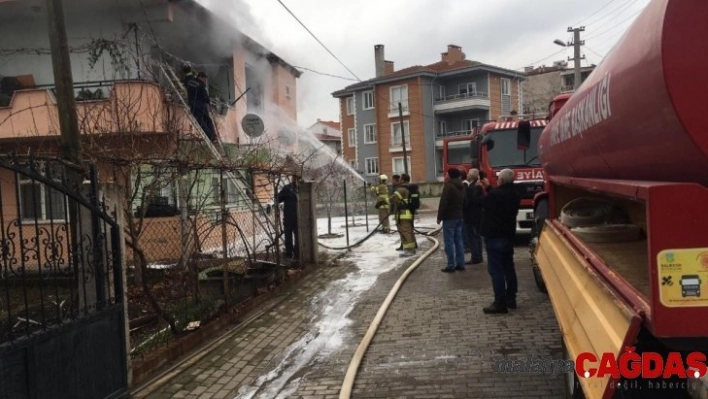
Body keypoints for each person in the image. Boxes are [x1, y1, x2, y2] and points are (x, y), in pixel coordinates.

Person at [480, 168, 520, 314]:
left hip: (494, 236)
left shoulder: (495, 195)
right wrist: (489, 187)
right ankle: (511, 299)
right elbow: (498, 197)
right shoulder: (515, 194)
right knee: (509, 268)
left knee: (496, 270)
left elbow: (482, 202)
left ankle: (499, 302)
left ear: (501, 180)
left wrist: (480, 188)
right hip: (508, 236)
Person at [437, 168, 466, 272]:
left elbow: (443, 203)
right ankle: (461, 263)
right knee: (459, 241)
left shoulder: (449, 186)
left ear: (450, 175)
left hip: (449, 218)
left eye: (447, 174)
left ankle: (451, 265)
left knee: (449, 242)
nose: (446, 176)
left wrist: (439, 217)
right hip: (459, 217)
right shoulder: (462, 186)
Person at [186, 71, 217, 142]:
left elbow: (186, 78)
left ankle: (211, 136)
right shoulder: (201, 85)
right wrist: (208, 101)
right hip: (201, 106)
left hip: (193, 106)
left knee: (201, 120)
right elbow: (205, 97)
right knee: (207, 120)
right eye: (204, 79)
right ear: (200, 77)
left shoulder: (190, 82)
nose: (204, 81)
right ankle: (212, 136)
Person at [391, 173, 416, 256]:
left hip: (403, 214)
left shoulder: (401, 189)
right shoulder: (410, 187)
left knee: (405, 232)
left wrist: (385, 200)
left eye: (400, 178)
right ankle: (412, 248)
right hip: (409, 213)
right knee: (409, 231)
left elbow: (393, 199)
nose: (399, 180)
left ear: (403, 180)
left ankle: (409, 250)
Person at [463, 169, 485, 265]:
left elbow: (468, 202)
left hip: (471, 215)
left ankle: (475, 257)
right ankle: (479, 256)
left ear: (471, 176)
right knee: (478, 236)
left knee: (472, 236)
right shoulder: (479, 186)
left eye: (468, 173)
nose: (467, 174)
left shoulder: (471, 187)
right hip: (479, 214)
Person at [277, 177, 299, 260]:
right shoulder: (289, 188)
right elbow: (278, 199)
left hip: (290, 216)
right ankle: (294, 252)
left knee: (290, 235)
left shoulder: (288, 188)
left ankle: (291, 252)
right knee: (293, 235)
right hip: (292, 217)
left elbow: (278, 199)